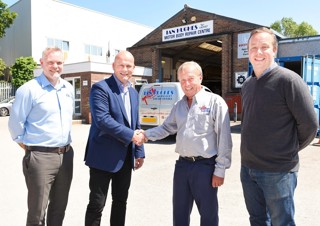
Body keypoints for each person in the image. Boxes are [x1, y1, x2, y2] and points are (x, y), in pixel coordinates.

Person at [240, 27, 318, 226]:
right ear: (247, 51)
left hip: (278, 171)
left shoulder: (288, 80)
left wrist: (287, 149)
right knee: (257, 220)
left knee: (281, 222)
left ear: (275, 50)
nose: (258, 52)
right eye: (253, 47)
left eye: (264, 47)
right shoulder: (248, 85)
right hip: (248, 170)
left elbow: (309, 125)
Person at [143, 61, 233, 226]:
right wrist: (144, 135)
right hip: (182, 167)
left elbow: (224, 139)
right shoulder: (179, 105)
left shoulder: (215, 102)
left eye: (190, 79)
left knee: (208, 215)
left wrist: (220, 170)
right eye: (182, 80)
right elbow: (166, 128)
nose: (186, 84)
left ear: (200, 78)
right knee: (180, 214)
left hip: (205, 167)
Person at [8, 47, 75, 226]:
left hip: (66, 155)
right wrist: (32, 148)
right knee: (37, 213)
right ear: (42, 62)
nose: (55, 66)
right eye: (51, 62)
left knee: (59, 209)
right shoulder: (28, 90)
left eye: (59, 62)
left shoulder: (68, 88)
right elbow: (15, 125)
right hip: (41, 157)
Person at [84, 50, 145, 226]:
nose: (125, 69)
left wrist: (139, 151)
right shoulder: (101, 88)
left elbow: (135, 122)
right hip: (102, 158)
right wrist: (132, 136)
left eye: (129, 66)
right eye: (121, 65)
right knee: (97, 205)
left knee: (120, 202)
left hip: (125, 158)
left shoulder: (133, 93)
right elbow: (103, 120)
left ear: (133, 68)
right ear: (113, 66)